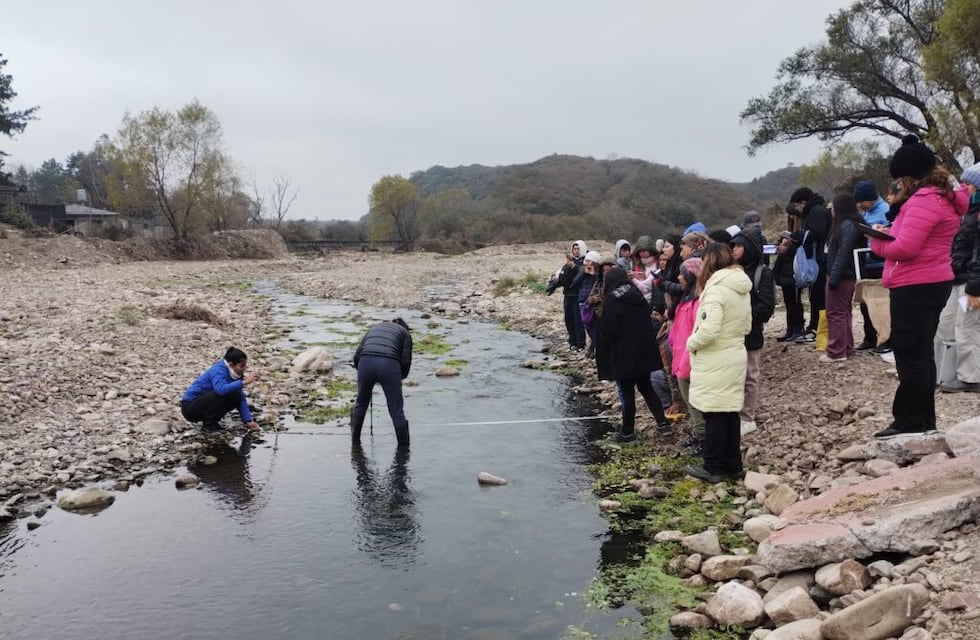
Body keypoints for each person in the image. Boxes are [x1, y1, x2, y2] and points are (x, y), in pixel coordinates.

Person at [868, 135, 970, 438]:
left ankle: (909, 421)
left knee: (911, 355)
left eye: (902, 177)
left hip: (916, 284)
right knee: (922, 353)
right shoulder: (943, 197)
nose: (900, 183)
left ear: (911, 176)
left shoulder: (925, 200)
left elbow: (905, 248)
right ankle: (925, 420)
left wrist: (876, 240)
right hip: (932, 281)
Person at [685, 243, 752, 483]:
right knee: (729, 412)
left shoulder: (715, 291)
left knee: (713, 413)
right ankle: (733, 466)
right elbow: (747, 326)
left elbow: (709, 330)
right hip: (735, 352)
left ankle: (712, 466)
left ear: (709, 262)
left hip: (716, 357)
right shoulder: (740, 288)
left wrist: (691, 343)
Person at [600, 267, 672, 443]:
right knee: (646, 388)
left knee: (627, 392)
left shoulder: (611, 300)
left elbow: (610, 331)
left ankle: (627, 431)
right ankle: (663, 424)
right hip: (644, 351)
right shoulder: (636, 294)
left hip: (624, 354)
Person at [938, 162, 980, 393]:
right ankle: (947, 370)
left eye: (970, 184)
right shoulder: (966, 213)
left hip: (971, 283)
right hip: (957, 278)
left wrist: (975, 287)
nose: (965, 188)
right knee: (946, 325)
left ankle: (971, 377)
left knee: (967, 328)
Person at [730, 231, 775, 435]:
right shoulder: (729, 272)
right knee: (733, 376)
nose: (734, 250)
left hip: (751, 333)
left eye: (737, 246)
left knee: (750, 375)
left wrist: (740, 316)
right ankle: (734, 413)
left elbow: (766, 307)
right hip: (731, 334)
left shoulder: (762, 273)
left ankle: (747, 416)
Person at [352, 318, 413, 447]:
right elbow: (406, 361)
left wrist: (362, 372)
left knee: (361, 403)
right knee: (396, 410)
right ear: (405, 327)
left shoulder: (374, 328)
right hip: (389, 365)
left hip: (365, 362)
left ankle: (355, 443)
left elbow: (357, 356)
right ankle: (404, 450)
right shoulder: (405, 333)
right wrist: (399, 378)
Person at [786, 187, 832, 342]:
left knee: (818, 296)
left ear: (803, 202)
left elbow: (815, 233)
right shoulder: (817, 210)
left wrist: (796, 235)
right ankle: (814, 326)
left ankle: (817, 328)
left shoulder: (816, 212)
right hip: (817, 258)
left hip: (817, 260)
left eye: (798, 206)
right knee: (815, 295)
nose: (797, 210)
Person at [822, 194, 864, 363]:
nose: (831, 211)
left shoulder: (846, 226)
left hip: (841, 276)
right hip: (845, 275)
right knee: (844, 311)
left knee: (836, 313)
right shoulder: (851, 225)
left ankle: (836, 351)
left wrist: (834, 277)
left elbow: (843, 253)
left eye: (833, 208)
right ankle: (846, 347)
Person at [669, 257, 705, 453]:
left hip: (689, 359)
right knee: (690, 400)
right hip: (681, 355)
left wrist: (685, 360)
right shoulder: (687, 297)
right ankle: (697, 433)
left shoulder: (697, 301)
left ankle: (702, 438)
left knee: (694, 401)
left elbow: (696, 332)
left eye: (683, 274)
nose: (679, 277)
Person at [181, 346, 260, 433]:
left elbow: (240, 398)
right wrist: (244, 382)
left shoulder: (234, 373)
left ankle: (214, 422)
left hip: (202, 404)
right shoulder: (218, 370)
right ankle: (208, 425)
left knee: (236, 395)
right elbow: (221, 390)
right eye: (242, 366)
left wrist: (247, 421)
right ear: (231, 364)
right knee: (221, 394)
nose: (245, 368)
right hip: (190, 408)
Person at [853, 180, 890, 351]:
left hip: (880, 263)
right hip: (866, 262)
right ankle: (869, 337)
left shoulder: (886, 211)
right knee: (865, 302)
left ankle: (885, 338)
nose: (859, 205)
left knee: (881, 303)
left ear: (871, 198)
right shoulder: (866, 214)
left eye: (862, 201)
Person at [547, 240, 588, 351]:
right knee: (569, 319)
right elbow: (562, 277)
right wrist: (554, 285)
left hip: (578, 295)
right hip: (568, 295)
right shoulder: (568, 263)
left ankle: (580, 344)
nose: (576, 251)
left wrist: (574, 266)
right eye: (574, 249)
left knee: (578, 320)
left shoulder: (586, 261)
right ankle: (572, 341)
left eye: (578, 249)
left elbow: (583, 272)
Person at [773, 231, 805, 342]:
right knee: (789, 305)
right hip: (785, 280)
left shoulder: (795, 249)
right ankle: (790, 329)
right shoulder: (783, 253)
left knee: (796, 304)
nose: (783, 242)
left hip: (794, 279)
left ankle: (798, 329)